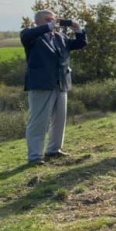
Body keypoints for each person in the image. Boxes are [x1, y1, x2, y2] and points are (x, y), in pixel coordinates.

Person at [21, 9, 87, 164]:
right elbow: (27, 35)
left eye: (53, 19)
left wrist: (78, 29)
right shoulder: (30, 36)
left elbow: (80, 43)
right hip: (41, 85)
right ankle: (35, 157)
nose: (53, 21)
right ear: (38, 22)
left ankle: (54, 150)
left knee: (59, 120)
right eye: (47, 19)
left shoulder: (60, 37)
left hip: (61, 83)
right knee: (39, 122)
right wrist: (49, 26)